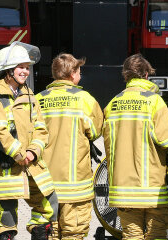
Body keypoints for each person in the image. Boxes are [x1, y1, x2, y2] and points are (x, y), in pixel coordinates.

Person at [103, 54, 168, 240]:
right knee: (156, 234)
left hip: (122, 189)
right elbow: (166, 141)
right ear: (147, 74)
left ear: (126, 76)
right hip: (151, 189)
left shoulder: (112, 104)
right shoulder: (155, 102)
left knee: (131, 235)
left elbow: (108, 145)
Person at [0, 41, 57, 240]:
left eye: (27, 68)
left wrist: (32, 152)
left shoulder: (30, 95)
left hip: (32, 165)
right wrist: (19, 154)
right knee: (6, 221)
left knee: (49, 206)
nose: (26, 72)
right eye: (21, 67)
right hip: (6, 168)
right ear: (7, 70)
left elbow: (41, 128)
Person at [35, 53, 104, 240]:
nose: (80, 75)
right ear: (72, 73)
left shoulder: (38, 100)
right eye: (79, 71)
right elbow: (96, 131)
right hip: (76, 187)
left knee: (50, 234)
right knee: (73, 234)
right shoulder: (85, 99)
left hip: (45, 185)